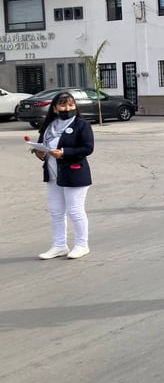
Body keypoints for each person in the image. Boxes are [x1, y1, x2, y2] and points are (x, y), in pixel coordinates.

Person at [34, 91, 95, 260]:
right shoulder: (48, 126)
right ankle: (59, 245)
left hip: (74, 173)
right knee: (56, 212)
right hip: (53, 174)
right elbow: (42, 145)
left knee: (75, 211)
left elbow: (87, 148)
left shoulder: (81, 125)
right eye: (63, 105)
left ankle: (82, 245)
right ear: (55, 108)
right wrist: (39, 153)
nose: (67, 108)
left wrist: (64, 153)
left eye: (71, 105)